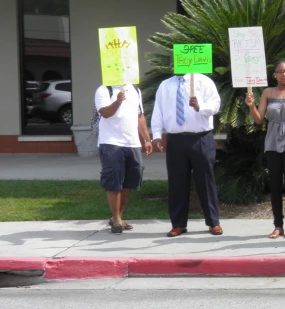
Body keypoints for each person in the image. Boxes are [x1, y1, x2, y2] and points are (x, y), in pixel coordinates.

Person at [151, 72, 222, 237]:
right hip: (175, 139)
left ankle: (213, 222)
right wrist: (156, 135)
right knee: (177, 183)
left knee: (205, 181)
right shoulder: (165, 85)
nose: (175, 64)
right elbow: (158, 111)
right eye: (173, 61)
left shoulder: (204, 81)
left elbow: (216, 105)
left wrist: (200, 107)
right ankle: (178, 224)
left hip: (201, 138)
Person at [245, 60, 285, 239]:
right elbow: (258, 119)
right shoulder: (267, 93)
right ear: (274, 75)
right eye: (280, 71)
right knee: (275, 185)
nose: (283, 74)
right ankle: (277, 225)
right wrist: (251, 106)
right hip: (272, 142)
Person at [95, 84, 153, 234]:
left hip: (132, 142)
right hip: (111, 142)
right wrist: (117, 102)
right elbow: (105, 113)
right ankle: (116, 220)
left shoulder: (135, 90)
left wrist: (146, 139)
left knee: (129, 182)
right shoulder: (104, 90)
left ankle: (117, 218)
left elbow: (139, 116)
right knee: (113, 182)